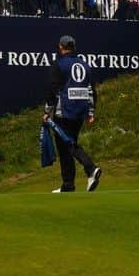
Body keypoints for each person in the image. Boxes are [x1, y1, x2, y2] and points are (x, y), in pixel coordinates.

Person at [43, 34, 102, 193]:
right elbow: (91, 91)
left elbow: (52, 90)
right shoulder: (85, 65)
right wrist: (91, 111)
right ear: (74, 48)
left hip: (64, 111)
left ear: (61, 47)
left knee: (67, 143)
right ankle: (68, 185)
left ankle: (90, 168)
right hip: (80, 111)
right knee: (67, 145)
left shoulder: (59, 65)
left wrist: (47, 112)